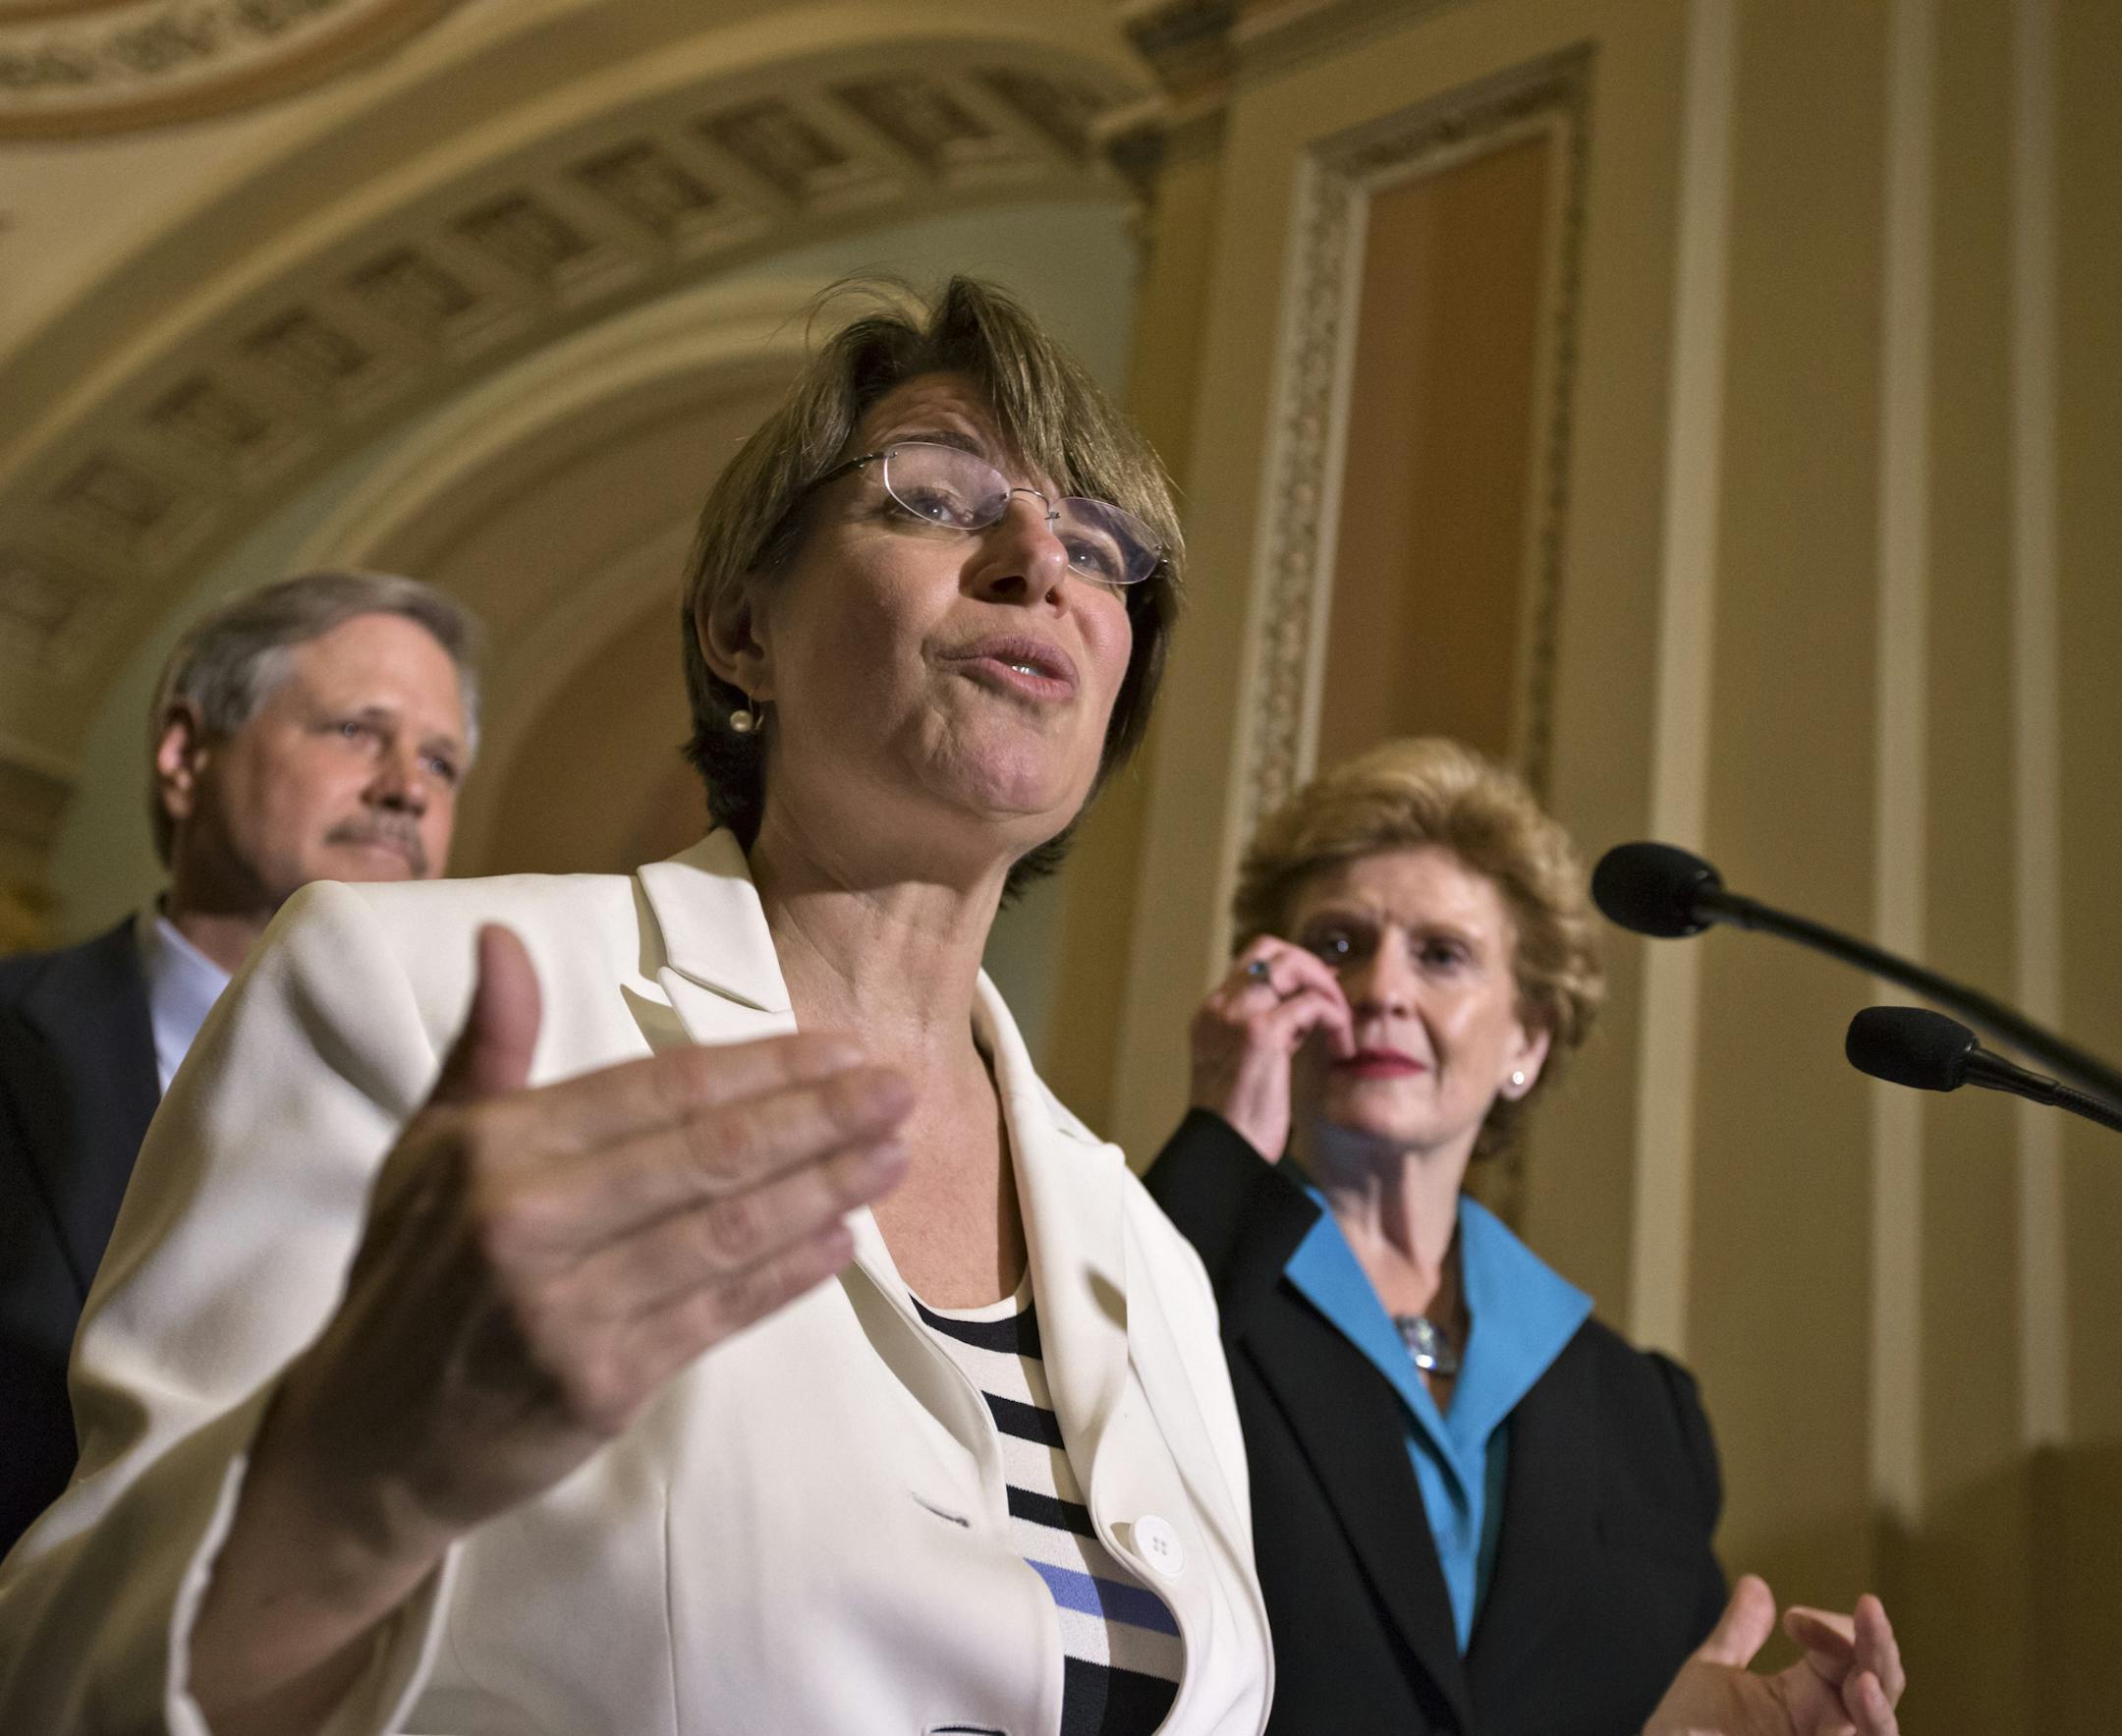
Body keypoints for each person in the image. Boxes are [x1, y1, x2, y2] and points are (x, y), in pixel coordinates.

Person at [0, 280, 1273, 1736]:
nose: (1040, 557)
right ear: (743, 628)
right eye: (935, 498)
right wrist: (353, 1481)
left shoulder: (1147, 1257)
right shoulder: (415, 990)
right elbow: (61, 1683)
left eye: (1101, 548)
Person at [1144, 737, 1906, 1736]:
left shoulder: (1644, 1418)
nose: (1381, 991)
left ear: (1526, 1041)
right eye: (1336, 945)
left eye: (1442, 955)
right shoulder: (1177, 1266)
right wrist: (1220, 1144)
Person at [0, 570, 480, 1553]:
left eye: (441, 762)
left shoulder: (489, 1113)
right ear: (185, 754)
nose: (406, 788)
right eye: (357, 730)